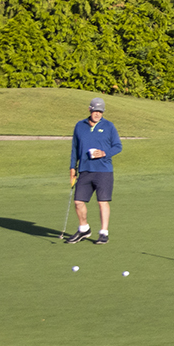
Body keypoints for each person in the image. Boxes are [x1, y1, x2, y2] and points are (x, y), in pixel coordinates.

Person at [67, 98, 121, 244]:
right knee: (78, 202)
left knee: (102, 202)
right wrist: (73, 167)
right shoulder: (80, 126)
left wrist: (104, 153)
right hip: (85, 170)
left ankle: (103, 233)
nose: (98, 114)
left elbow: (118, 146)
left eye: (100, 111)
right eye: (95, 111)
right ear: (90, 110)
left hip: (103, 170)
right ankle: (84, 229)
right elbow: (74, 149)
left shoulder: (109, 126)